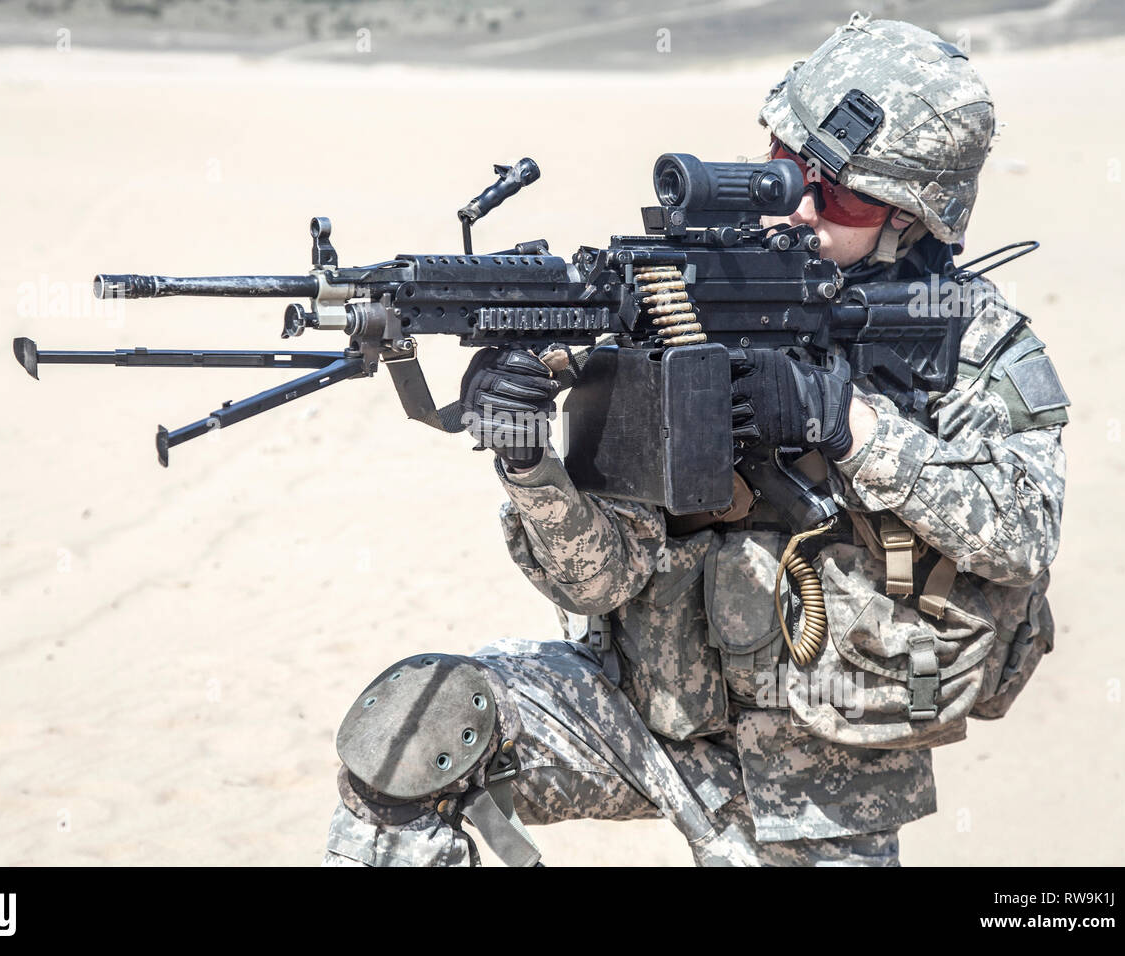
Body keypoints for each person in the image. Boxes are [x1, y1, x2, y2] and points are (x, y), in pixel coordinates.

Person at [322, 14, 1068, 867]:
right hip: (646, 712)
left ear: (914, 219)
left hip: (825, 771)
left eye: (847, 196)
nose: (801, 207)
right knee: (413, 735)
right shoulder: (674, 295)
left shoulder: (965, 336)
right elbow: (603, 578)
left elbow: (1024, 530)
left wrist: (845, 420)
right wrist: (526, 456)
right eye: (790, 171)